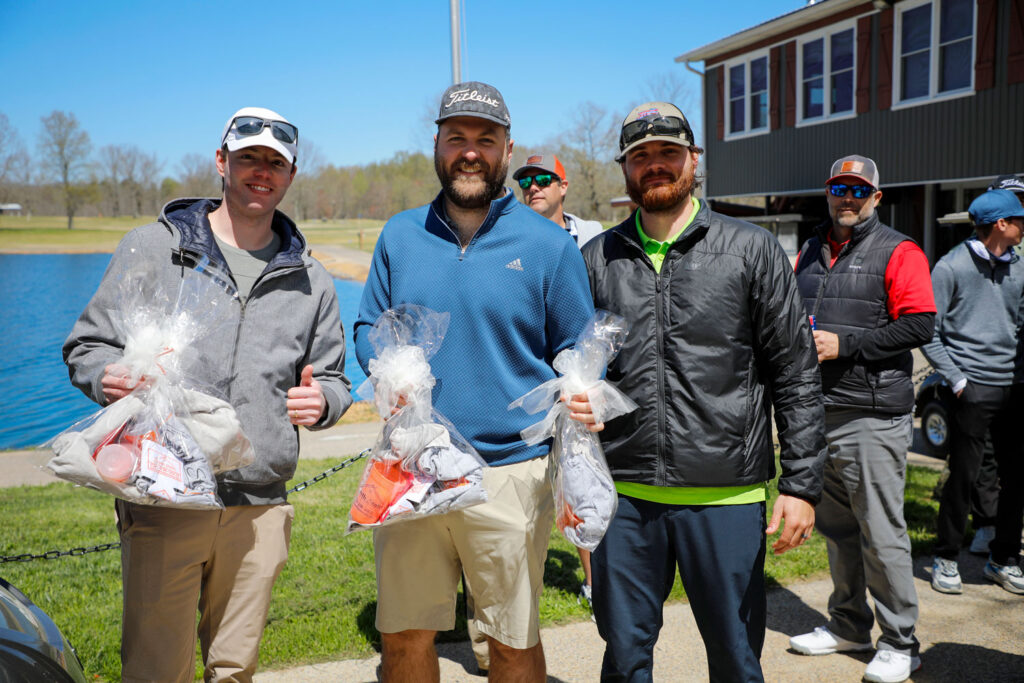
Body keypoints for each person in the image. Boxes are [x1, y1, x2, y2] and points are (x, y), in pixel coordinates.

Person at [63, 106, 353, 682]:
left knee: (235, 668)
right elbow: (87, 346)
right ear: (222, 161)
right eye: (249, 158)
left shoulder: (311, 279)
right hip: (162, 496)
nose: (261, 172)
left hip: (260, 505)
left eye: (275, 163)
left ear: (291, 175)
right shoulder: (153, 248)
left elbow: (335, 378)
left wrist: (324, 403)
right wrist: (106, 375)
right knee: (155, 671)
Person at [572, 101, 826, 683]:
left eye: (668, 152)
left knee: (735, 660)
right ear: (625, 168)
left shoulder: (750, 249)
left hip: (726, 494)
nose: (655, 165)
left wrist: (801, 485)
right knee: (624, 658)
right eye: (641, 156)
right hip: (623, 496)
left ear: (694, 159)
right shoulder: (595, 259)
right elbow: (570, 371)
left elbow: (795, 372)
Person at [353, 81, 594, 682]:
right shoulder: (400, 234)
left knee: (511, 642)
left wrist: (585, 389)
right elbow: (366, 325)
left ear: (507, 150)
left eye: (485, 140)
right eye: (456, 137)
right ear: (436, 146)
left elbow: (579, 346)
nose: (469, 152)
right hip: (410, 467)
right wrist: (385, 367)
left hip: (509, 472)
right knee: (404, 636)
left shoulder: (547, 245)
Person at [789, 155, 935, 683]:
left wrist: (846, 344)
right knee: (838, 529)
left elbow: (920, 325)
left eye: (857, 190)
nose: (846, 199)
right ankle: (848, 624)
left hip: (871, 414)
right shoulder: (809, 249)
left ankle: (901, 641)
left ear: (876, 196)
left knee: (881, 532)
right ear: (828, 194)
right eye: (838, 189)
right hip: (818, 411)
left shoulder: (899, 251)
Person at [922, 188, 1024, 596]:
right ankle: (946, 557)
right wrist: (958, 379)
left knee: (1016, 479)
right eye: (1019, 220)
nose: (1023, 227)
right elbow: (928, 332)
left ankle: (1004, 559)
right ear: (1001, 223)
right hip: (971, 388)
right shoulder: (950, 267)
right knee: (963, 476)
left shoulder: (1020, 266)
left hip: (1014, 387)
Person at [513, 152, 604, 247]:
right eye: (525, 182)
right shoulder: (512, 240)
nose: (532, 188)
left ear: (563, 187)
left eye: (543, 180)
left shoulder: (594, 235)